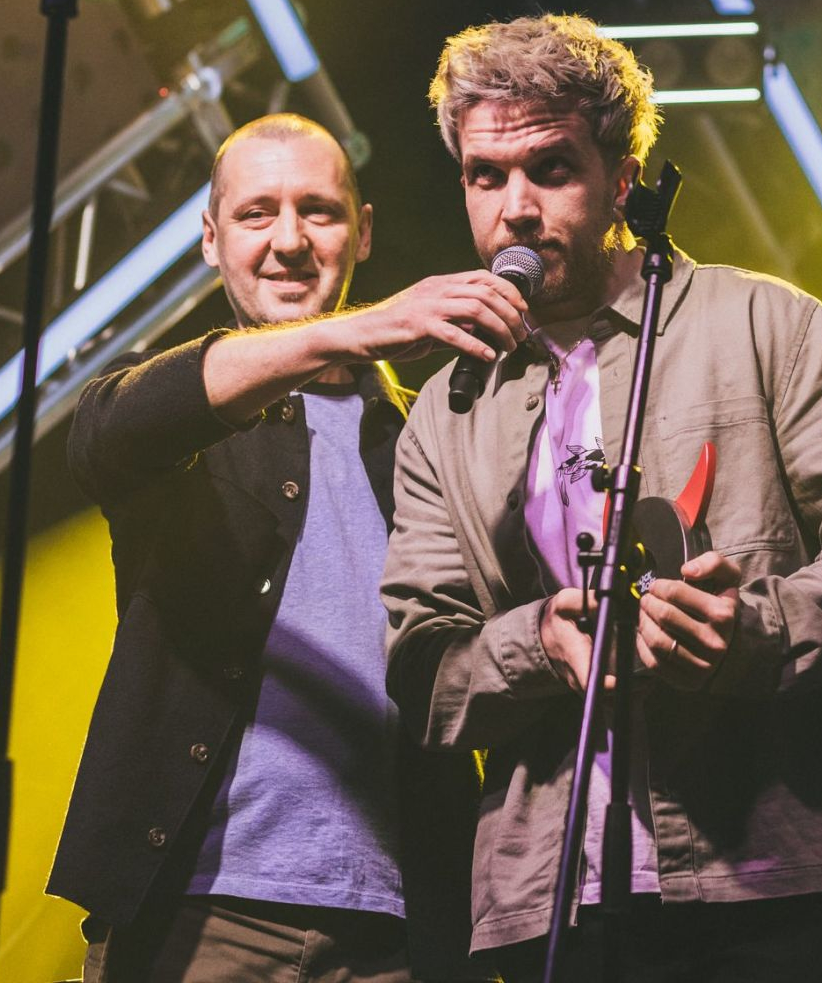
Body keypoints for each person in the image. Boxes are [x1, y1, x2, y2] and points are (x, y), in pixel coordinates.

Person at [379, 14, 822, 981]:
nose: (515, 208)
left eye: (551, 169)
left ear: (623, 179)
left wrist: (755, 628)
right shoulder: (445, 408)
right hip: (561, 898)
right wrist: (539, 643)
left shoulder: (766, 322)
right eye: (485, 176)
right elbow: (422, 668)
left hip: (787, 877)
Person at [47, 113, 523, 982]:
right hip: (199, 913)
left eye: (319, 211)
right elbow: (106, 433)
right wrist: (358, 330)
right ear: (210, 238)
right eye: (257, 213)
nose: (291, 240)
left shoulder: (429, 439)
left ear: (363, 232)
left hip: (405, 926)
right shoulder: (178, 411)